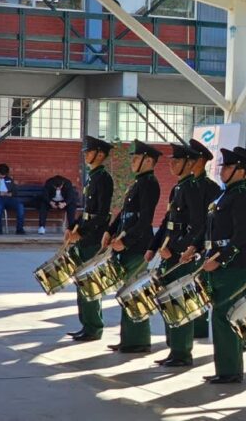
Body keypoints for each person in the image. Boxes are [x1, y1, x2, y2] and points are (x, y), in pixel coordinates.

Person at [192, 148, 246, 384]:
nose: (223, 171)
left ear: (240, 171)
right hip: (216, 264)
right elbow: (208, 229)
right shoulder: (223, 195)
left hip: (233, 267)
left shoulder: (242, 196)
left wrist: (220, 259)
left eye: (228, 167)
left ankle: (230, 371)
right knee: (218, 316)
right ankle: (224, 368)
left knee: (225, 316)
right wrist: (195, 247)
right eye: (223, 167)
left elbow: (242, 236)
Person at [147, 143, 205, 367]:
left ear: (190, 164)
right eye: (172, 160)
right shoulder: (178, 188)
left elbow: (199, 226)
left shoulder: (193, 189)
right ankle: (174, 350)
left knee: (179, 303)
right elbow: (167, 224)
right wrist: (154, 246)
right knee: (168, 303)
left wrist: (179, 248)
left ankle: (182, 352)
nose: (171, 164)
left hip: (182, 257)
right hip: (168, 254)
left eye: (177, 161)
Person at [103, 139, 161, 354]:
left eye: (136, 158)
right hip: (125, 246)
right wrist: (111, 231)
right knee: (126, 292)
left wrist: (125, 241)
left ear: (148, 161)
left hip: (136, 246)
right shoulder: (138, 182)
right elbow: (124, 213)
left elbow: (144, 220)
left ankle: (138, 340)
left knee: (135, 293)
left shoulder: (150, 183)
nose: (133, 162)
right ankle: (128, 339)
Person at [65, 136, 114, 342]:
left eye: (89, 152)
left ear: (100, 155)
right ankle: (86, 324)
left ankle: (94, 327)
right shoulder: (92, 177)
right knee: (81, 282)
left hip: (93, 239)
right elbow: (86, 211)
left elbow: (102, 215)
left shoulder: (103, 178)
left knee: (89, 283)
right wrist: (71, 228)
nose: (86, 155)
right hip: (84, 236)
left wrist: (83, 233)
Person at [188, 138, 220, 340]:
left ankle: (198, 330)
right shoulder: (186, 185)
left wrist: (199, 246)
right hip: (186, 244)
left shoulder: (212, 188)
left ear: (201, 161)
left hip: (201, 246)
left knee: (199, 287)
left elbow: (209, 223)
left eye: (192, 158)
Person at [0, 163, 25, 234]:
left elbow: (15, 190)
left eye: (4, 175)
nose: (2, 176)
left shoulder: (9, 179)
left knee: (20, 206)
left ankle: (20, 229)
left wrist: (11, 194)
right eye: (1, 174)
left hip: (9, 198)